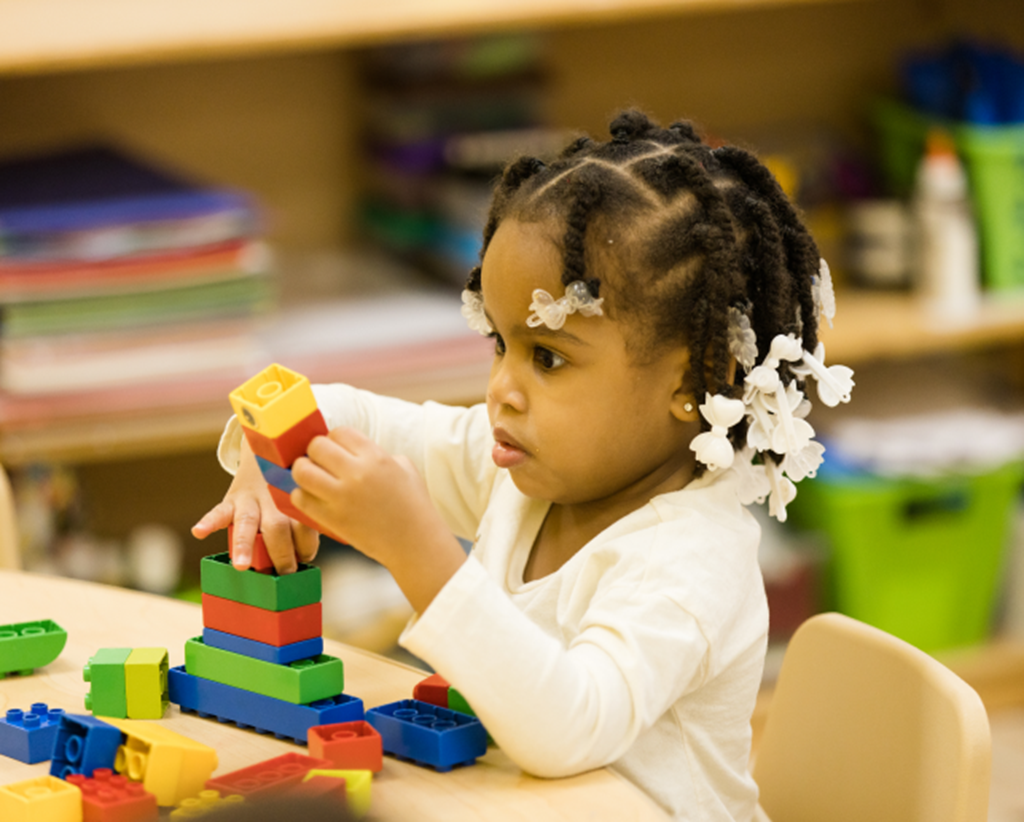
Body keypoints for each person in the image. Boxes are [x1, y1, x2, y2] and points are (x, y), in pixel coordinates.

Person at [193, 110, 853, 821]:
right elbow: (370, 420)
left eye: (548, 357)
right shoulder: (523, 469)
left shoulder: (691, 565)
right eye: (499, 345)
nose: (502, 388)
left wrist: (417, 551)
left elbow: (568, 727)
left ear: (692, 382)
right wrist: (271, 447)